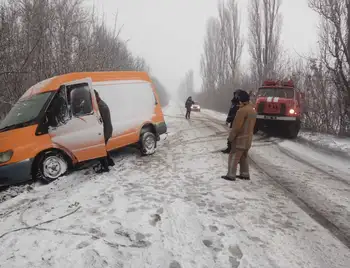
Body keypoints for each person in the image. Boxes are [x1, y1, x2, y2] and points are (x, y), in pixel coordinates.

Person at [221, 90, 257, 181]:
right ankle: (245, 174)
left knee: (233, 156)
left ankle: (231, 175)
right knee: (244, 157)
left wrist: (231, 138)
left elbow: (236, 128)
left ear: (241, 100)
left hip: (240, 139)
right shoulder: (252, 110)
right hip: (248, 139)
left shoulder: (241, 111)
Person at [94, 90, 115, 173]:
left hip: (106, 131)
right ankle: (110, 162)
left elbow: (103, 122)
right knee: (103, 148)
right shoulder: (100, 103)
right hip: (107, 130)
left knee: (100, 150)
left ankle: (105, 167)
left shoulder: (101, 106)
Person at [221, 90, 241, 154]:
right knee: (231, 136)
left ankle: (238, 152)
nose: (236, 95)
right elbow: (230, 111)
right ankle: (229, 148)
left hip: (239, 122)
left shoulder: (242, 103)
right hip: (233, 121)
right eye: (235, 94)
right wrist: (227, 119)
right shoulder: (233, 102)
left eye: (237, 94)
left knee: (238, 137)